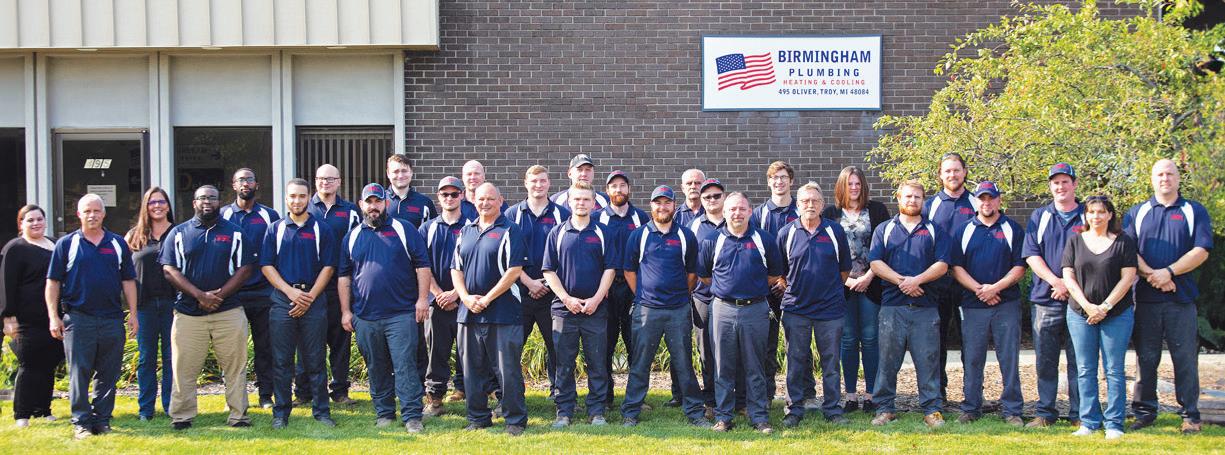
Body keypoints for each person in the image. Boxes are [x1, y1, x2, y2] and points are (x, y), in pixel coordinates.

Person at [1126, 159, 1213, 434]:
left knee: (1185, 359)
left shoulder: (1193, 211)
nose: (1165, 178)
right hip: (1146, 299)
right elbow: (1128, 252)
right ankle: (1144, 412)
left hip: (1181, 300)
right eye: (1159, 174)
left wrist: (1169, 272)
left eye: (1170, 173)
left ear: (1178, 178)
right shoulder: (1137, 212)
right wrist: (1154, 275)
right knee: (1146, 358)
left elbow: (1201, 250)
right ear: (1152, 179)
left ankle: (1190, 415)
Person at [339, 183, 433, 433]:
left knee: (405, 366)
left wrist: (423, 299)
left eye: (378, 201)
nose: (374, 207)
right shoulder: (352, 236)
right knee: (376, 366)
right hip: (365, 316)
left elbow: (422, 265)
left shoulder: (404, 229)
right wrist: (346, 311)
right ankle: (384, 413)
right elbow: (344, 277)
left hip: (401, 314)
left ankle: (412, 416)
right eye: (369, 202)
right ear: (361, 205)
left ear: (386, 203)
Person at [161, 185, 256, 430]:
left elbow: (245, 269)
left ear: (219, 202)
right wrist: (200, 295)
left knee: (235, 367)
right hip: (188, 313)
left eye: (212, 198)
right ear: (194, 202)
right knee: (183, 367)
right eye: (202, 198)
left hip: (228, 311)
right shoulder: (179, 233)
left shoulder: (235, 233)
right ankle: (182, 416)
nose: (207, 202)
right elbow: (169, 269)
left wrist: (218, 296)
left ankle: (238, 416)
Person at [46, 194, 138, 439]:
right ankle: (81, 422)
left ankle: (102, 420)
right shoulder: (67, 244)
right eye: (87, 211)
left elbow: (128, 280)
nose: (92, 215)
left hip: (112, 319)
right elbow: (53, 282)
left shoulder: (117, 243)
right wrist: (53, 317)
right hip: (79, 318)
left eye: (97, 211)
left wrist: (133, 314)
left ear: (104, 214)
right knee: (79, 373)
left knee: (109, 373)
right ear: (79, 214)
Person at [619, 185, 711, 428]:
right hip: (646, 310)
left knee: (683, 363)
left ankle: (695, 412)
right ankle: (631, 411)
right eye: (658, 203)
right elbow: (629, 271)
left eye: (667, 202)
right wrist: (643, 295)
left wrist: (679, 295)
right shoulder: (639, 235)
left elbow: (692, 274)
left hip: (678, 310)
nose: (662, 207)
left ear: (673, 205)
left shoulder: (685, 236)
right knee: (640, 363)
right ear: (651, 206)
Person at [698, 192, 785, 434]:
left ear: (749, 211)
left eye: (741, 209)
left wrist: (750, 288)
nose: (737, 213)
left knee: (755, 365)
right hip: (722, 309)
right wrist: (728, 289)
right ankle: (724, 417)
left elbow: (774, 274)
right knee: (722, 366)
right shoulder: (712, 241)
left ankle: (759, 417)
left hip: (755, 309)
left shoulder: (764, 240)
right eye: (732, 209)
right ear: (725, 212)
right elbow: (705, 276)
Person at [868, 180, 950, 429]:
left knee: (928, 362)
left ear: (923, 200)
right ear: (899, 198)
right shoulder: (884, 229)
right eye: (908, 196)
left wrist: (917, 280)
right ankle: (885, 409)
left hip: (925, 307)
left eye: (917, 197)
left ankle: (932, 410)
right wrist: (902, 281)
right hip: (892, 307)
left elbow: (942, 265)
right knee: (887, 361)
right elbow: (875, 263)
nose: (912, 200)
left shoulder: (934, 230)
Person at [452, 182, 530, 436]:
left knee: (507, 371)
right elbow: (456, 269)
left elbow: (514, 270)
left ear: (500, 200)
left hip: (503, 314)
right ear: (474, 201)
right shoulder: (466, 231)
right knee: (472, 370)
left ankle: (515, 420)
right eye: (480, 199)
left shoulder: (510, 230)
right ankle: (477, 418)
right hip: (468, 314)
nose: (485, 203)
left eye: (490, 199)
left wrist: (486, 298)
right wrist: (465, 298)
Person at [261, 178, 338, 429]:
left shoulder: (322, 229)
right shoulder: (274, 229)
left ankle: (322, 412)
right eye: (292, 196)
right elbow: (266, 265)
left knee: (316, 360)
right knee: (282, 361)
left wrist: (309, 297)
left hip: (314, 300)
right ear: (286, 199)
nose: (297, 201)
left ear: (309, 198)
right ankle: (281, 414)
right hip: (283, 301)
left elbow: (329, 267)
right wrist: (290, 292)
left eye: (302, 196)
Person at [1062, 195, 1138, 440]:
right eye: (1091, 212)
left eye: (1101, 211)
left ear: (1110, 215)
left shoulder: (1123, 242)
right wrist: (1088, 307)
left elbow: (1128, 278)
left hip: (1116, 314)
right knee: (1085, 369)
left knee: (1114, 370)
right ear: (1085, 215)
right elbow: (1068, 277)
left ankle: (1114, 423)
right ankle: (1089, 422)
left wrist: (1104, 307)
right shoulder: (1075, 241)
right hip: (1080, 314)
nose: (1096, 216)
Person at [950, 181, 1025, 426]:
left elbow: (1020, 267)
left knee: (1009, 358)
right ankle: (971, 407)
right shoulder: (964, 230)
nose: (987, 203)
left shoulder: (1012, 229)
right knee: (973, 358)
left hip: (1006, 303)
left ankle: (1012, 410)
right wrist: (980, 290)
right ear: (976, 202)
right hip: (973, 304)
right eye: (982, 198)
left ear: (998, 200)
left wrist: (995, 288)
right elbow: (956, 268)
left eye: (991, 198)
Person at [542, 181, 616, 427]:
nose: (581, 203)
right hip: (564, 310)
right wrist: (566, 298)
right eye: (577, 199)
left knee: (597, 363)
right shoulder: (557, 233)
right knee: (563, 364)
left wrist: (596, 299)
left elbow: (610, 269)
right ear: (569, 202)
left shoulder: (603, 232)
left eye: (586, 199)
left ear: (593, 203)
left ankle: (597, 411)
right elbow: (549, 271)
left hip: (595, 310)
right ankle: (564, 411)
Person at [778, 182, 852, 427]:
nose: (810, 205)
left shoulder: (834, 231)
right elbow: (780, 273)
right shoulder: (786, 233)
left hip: (830, 310)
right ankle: (794, 410)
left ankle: (832, 409)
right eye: (805, 201)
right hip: (796, 309)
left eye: (815, 201)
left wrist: (827, 290)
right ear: (797, 205)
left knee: (831, 362)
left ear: (822, 205)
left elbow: (844, 270)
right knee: (795, 362)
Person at [821, 166, 890, 414]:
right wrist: (848, 280)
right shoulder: (830, 214)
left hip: (872, 284)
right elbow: (827, 252)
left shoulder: (878, 210)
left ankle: (871, 395)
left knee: (870, 339)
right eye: (849, 183)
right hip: (843, 287)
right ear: (841, 186)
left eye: (858, 183)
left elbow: (884, 247)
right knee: (848, 340)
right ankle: (850, 395)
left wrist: (870, 275)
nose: (854, 187)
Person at [1021, 162, 1084, 428]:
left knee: (1080, 361)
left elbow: (1098, 253)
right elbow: (1031, 255)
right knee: (1046, 361)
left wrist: (1071, 287)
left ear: (1074, 184)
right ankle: (1045, 413)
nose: (1060, 187)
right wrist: (1056, 282)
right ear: (1050, 186)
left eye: (1065, 181)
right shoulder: (1040, 216)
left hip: (1081, 301)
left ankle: (1080, 414)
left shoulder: (1088, 215)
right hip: (1046, 299)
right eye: (1055, 183)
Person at [296, 164, 361, 406]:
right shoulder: (305, 207)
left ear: (339, 182)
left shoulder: (351, 211)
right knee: (307, 342)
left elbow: (356, 244)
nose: (326, 182)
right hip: (309, 287)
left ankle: (340, 391)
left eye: (331, 179)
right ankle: (304, 392)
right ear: (315, 181)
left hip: (339, 286)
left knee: (339, 341)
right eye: (322, 178)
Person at [505, 165, 569, 401]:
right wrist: (529, 282)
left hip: (552, 295)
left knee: (557, 347)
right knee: (512, 348)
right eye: (534, 181)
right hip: (518, 293)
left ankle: (559, 394)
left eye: (542, 181)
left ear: (549, 183)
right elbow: (506, 255)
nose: (538, 185)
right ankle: (512, 396)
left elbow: (566, 253)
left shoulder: (562, 214)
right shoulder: (512, 214)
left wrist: (546, 283)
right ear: (525, 183)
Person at [220, 168, 281, 409]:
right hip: (233, 293)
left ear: (257, 184)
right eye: (241, 180)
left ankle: (266, 395)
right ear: (234, 185)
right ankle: (233, 397)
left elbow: (276, 249)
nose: (246, 183)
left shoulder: (269, 215)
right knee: (232, 349)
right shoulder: (223, 214)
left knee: (266, 347)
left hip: (264, 292)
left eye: (250, 179)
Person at [921, 153, 977, 401]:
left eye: (956, 170)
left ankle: (972, 395)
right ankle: (938, 394)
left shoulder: (977, 202)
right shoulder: (930, 205)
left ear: (964, 172)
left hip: (969, 285)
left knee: (971, 342)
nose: (952, 175)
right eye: (947, 171)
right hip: (937, 285)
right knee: (936, 340)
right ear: (940, 175)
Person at [2, 205, 63, 428]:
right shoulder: (15, 248)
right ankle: (22, 414)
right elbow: (6, 284)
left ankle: (43, 409)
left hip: (52, 317)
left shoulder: (55, 244)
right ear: (21, 224)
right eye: (30, 220)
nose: (36, 223)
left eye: (39, 219)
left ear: (45, 221)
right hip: (26, 319)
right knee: (29, 364)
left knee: (48, 363)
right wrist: (8, 316)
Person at [420, 176, 474, 415]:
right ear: (438, 197)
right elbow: (421, 265)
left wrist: (457, 293)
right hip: (437, 302)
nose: (449, 198)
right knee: (436, 353)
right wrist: (439, 293)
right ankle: (435, 399)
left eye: (454, 194)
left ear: (462, 195)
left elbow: (476, 264)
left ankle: (473, 399)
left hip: (466, 301)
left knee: (470, 353)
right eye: (445, 194)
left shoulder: (473, 225)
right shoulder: (428, 228)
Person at [596, 170, 648, 408]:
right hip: (606, 290)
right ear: (607, 191)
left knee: (634, 344)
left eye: (622, 185)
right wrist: (600, 286)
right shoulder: (597, 217)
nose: (618, 190)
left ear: (629, 189)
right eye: (614, 186)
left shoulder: (641, 217)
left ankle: (636, 398)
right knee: (604, 346)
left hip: (632, 288)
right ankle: (605, 398)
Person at [125, 187, 176, 421]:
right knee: (146, 358)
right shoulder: (133, 236)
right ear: (145, 207)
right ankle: (146, 408)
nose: (157, 206)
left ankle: (170, 405)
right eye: (152, 202)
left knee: (171, 357)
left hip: (172, 305)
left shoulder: (178, 232)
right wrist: (132, 312)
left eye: (161, 202)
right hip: (143, 307)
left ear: (168, 205)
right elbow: (124, 274)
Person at [749, 161, 799, 404]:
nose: (779, 182)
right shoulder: (759, 214)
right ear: (768, 182)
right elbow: (754, 251)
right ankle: (766, 394)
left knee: (797, 346)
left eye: (783, 177)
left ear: (791, 181)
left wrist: (787, 279)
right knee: (766, 345)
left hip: (796, 288)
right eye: (774, 178)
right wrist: (775, 278)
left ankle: (801, 395)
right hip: (767, 289)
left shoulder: (801, 209)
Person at [686, 178, 729, 415]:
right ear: (701, 200)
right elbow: (687, 262)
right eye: (707, 197)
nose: (712, 200)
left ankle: (737, 398)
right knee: (706, 351)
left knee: (731, 349)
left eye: (716, 195)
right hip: (702, 297)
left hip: (730, 300)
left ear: (724, 197)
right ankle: (711, 399)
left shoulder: (735, 220)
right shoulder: (694, 226)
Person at [386, 154, 438, 228]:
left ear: (411, 172)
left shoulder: (425, 202)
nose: (400, 176)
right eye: (396, 171)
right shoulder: (379, 201)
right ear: (388, 173)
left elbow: (433, 231)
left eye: (404, 171)